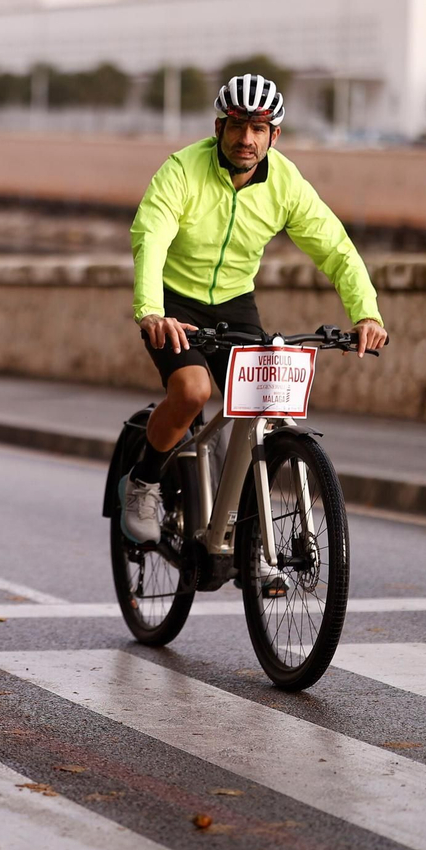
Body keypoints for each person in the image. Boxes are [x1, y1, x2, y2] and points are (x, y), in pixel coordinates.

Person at [120, 74, 388, 545]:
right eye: (237, 126)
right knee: (193, 391)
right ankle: (143, 481)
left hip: (235, 302)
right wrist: (151, 310)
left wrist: (367, 314)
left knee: (265, 404)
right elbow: (151, 237)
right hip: (173, 300)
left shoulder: (285, 183)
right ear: (219, 127)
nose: (247, 138)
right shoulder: (181, 170)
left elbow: (335, 249)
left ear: (273, 135)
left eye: (258, 128)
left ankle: (245, 536)